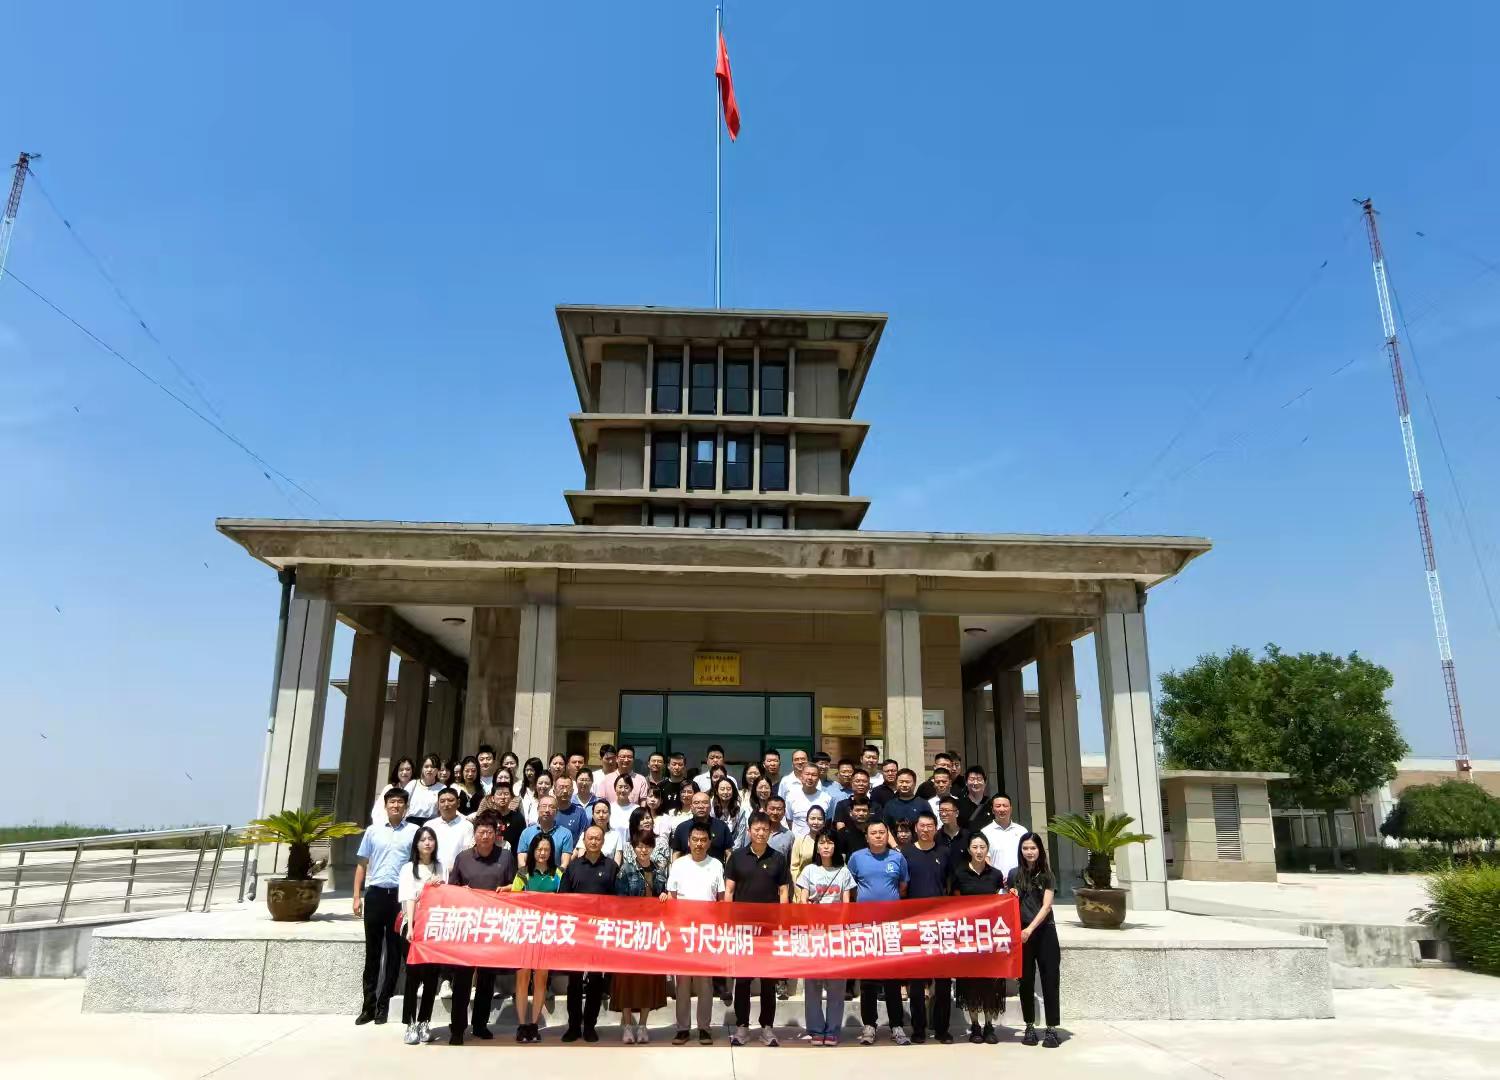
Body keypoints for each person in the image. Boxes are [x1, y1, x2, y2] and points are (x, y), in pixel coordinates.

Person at [445, 811, 519, 1045]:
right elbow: (452, 889)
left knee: (487, 979)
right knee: (463, 980)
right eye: (481, 832)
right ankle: (457, 1028)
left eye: (489, 832)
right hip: (467, 926)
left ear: (496, 834)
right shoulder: (463, 858)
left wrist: (508, 889)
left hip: (493, 926)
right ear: (474, 834)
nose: (485, 836)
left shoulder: (506, 856)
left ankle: (480, 1025)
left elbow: (513, 886)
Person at [724, 811, 791, 1046]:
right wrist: (728, 921)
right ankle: (742, 1027)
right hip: (742, 930)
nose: (761, 833)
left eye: (765, 829)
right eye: (757, 829)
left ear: (770, 831)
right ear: (749, 830)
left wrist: (782, 922)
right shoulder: (737, 857)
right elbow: (729, 891)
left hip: (769, 930)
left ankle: (767, 1027)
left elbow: (784, 891)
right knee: (742, 980)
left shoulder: (778, 858)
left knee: (768, 981)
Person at [353, 787, 417, 1025]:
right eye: (392, 802)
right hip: (376, 895)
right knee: (372, 953)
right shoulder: (372, 831)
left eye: (400, 802)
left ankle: (383, 1005)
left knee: (393, 954)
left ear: (406, 806)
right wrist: (356, 896)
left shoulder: (414, 832)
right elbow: (362, 864)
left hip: (398, 898)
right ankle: (367, 1006)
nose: (396, 806)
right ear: (386, 805)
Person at [847, 821, 910, 1045]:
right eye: (873, 833)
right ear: (867, 837)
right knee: (868, 980)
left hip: (891, 926)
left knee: (892, 978)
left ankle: (896, 1025)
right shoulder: (856, 858)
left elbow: (903, 887)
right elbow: (851, 887)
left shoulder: (897, 858)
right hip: (866, 926)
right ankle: (869, 1025)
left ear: (887, 835)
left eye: (882, 832)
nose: (878, 836)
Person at [666, 821, 725, 1045]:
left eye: (703, 840)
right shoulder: (679, 864)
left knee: (705, 983)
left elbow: (720, 900)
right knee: (682, 982)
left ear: (709, 842)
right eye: (695, 840)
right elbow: (671, 898)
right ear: (688, 842)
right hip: (683, 931)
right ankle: (682, 1028)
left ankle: (704, 1028)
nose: (699, 844)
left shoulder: (717, 865)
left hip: (707, 933)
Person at [559, 825, 619, 1042]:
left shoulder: (612, 867)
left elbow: (618, 902)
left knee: (595, 981)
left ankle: (590, 1025)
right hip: (576, 932)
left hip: (600, 933)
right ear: (583, 840)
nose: (594, 842)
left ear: (603, 842)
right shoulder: (573, 867)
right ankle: (573, 1025)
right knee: (574, 982)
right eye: (590, 838)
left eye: (598, 839)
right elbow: (563, 899)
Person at [795, 831, 853, 1045]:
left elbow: (847, 904)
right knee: (813, 984)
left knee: (837, 985)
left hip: (836, 934)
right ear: (817, 847)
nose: (826, 846)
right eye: (822, 843)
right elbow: (802, 902)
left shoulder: (844, 872)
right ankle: (816, 1028)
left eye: (830, 843)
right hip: (814, 933)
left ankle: (833, 1030)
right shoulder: (809, 870)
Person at [902, 810, 954, 1043]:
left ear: (935, 828)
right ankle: (919, 1029)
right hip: (914, 924)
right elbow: (902, 888)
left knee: (943, 980)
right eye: (922, 826)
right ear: (916, 828)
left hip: (941, 923)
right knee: (916, 982)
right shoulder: (906, 853)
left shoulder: (944, 852)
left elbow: (952, 885)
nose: (926, 829)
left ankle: (942, 1029)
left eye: (930, 825)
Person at [613, 835, 670, 1043]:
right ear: (634, 849)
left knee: (648, 980)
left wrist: (664, 898)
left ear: (653, 848)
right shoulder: (626, 870)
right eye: (640, 846)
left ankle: (643, 1025)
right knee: (626, 979)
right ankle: (628, 1025)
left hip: (652, 933)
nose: (643, 850)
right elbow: (619, 903)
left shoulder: (660, 871)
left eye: (647, 846)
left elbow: (666, 899)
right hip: (630, 932)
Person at [952, 832, 1007, 1043]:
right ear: (969, 850)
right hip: (968, 936)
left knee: (991, 983)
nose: (979, 851)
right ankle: (974, 1025)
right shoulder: (960, 874)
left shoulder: (995, 874)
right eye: (975, 847)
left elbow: (1001, 901)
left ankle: (989, 1025)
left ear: (987, 849)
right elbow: (954, 905)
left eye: (982, 847)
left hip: (990, 937)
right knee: (971, 983)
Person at [510, 833, 563, 1044]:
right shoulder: (523, 874)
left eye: (546, 850)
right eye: (539, 849)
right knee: (522, 979)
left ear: (551, 853)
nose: (542, 853)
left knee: (540, 979)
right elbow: (514, 901)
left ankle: (534, 1025)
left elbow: (564, 903)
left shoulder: (557, 873)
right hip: (525, 932)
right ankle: (522, 1025)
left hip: (547, 933)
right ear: (532, 851)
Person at [1009, 832, 1061, 1048]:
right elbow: (1009, 902)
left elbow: (1046, 906)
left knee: (1050, 980)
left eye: (1033, 848)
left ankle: (1051, 1029)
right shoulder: (1014, 874)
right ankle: (1029, 1026)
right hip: (1022, 935)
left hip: (1044, 932)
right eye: (1025, 848)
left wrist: (1030, 928)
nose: (1029, 852)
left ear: (1040, 850)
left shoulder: (1047, 874)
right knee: (1026, 981)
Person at [398, 825, 444, 1045]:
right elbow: (408, 898)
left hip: (434, 928)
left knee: (431, 978)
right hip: (414, 927)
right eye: (423, 839)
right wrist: (412, 928)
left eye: (431, 839)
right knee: (412, 978)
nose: (427, 843)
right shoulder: (408, 869)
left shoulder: (440, 866)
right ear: (416, 844)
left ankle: (425, 1021)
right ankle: (410, 1023)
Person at [671, 789, 732, 862]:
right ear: (691, 807)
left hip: (715, 871)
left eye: (705, 802)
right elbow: (676, 853)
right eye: (696, 803)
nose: (701, 806)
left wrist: (727, 872)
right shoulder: (682, 828)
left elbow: (729, 853)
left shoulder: (722, 826)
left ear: (710, 806)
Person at [517, 795, 575, 870]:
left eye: (551, 807)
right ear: (538, 809)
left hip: (555, 878)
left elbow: (565, 863)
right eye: (544, 806)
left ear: (557, 811)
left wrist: (555, 878)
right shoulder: (526, 833)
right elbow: (522, 859)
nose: (547, 810)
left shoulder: (565, 834)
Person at [981, 795, 1029, 880]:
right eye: (998, 806)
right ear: (992, 809)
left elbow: (1028, 856)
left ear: (1010, 809)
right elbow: (984, 858)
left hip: (1020, 881)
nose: (1002, 809)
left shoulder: (1022, 831)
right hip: (996, 883)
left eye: (1005, 806)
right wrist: (997, 877)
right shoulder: (985, 832)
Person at [428, 787, 475, 872]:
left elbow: (468, 853)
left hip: (458, 874)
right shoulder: (429, 825)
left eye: (450, 800)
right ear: (438, 805)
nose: (446, 804)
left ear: (458, 803)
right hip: (433, 874)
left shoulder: (467, 826)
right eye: (442, 801)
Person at [788, 803, 830, 883]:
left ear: (824, 822)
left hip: (825, 886)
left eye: (820, 819)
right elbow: (794, 868)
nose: (816, 822)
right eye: (812, 818)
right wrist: (798, 888)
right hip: (803, 886)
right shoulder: (800, 841)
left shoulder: (829, 842)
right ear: (807, 821)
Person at [370, 757, 415, 823]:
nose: (404, 772)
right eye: (401, 770)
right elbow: (377, 811)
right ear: (397, 772)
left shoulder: (418, 788)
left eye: (408, 769)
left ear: (412, 771)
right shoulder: (389, 788)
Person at [404, 755, 445, 824]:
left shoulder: (442, 788)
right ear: (422, 769)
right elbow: (402, 803)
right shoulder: (413, 784)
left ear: (438, 770)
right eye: (426, 766)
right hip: (411, 822)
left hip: (432, 823)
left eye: (432, 767)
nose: (429, 770)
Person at [486, 782, 526, 851]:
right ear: (492, 798)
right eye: (499, 794)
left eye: (506, 794)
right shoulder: (487, 817)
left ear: (511, 797)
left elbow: (522, 844)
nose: (503, 797)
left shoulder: (518, 818)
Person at [954, 766, 992, 832]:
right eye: (972, 779)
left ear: (985, 782)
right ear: (966, 782)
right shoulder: (958, 804)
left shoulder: (991, 804)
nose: (975, 783)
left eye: (979, 779)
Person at [551, 775, 589, 840]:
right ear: (554, 791)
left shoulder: (580, 813)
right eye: (561, 787)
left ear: (572, 791)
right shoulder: (549, 811)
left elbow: (584, 836)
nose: (565, 791)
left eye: (568, 787)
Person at [712, 776, 743, 846]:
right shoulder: (712, 810)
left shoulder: (740, 810)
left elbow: (741, 834)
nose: (725, 792)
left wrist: (732, 852)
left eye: (729, 789)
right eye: (722, 789)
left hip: (735, 850)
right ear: (717, 792)